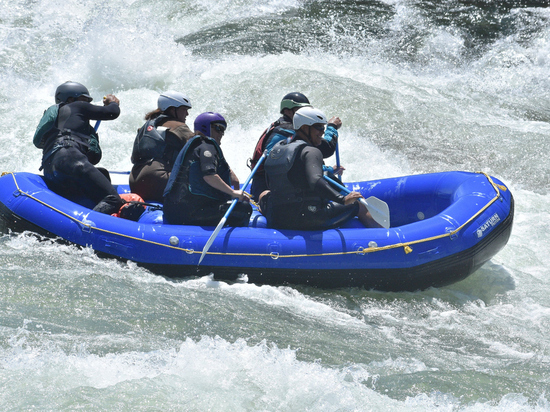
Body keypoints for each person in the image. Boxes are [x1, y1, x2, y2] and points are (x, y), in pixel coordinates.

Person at [262, 107, 380, 230]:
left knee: (264, 194)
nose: (322, 132)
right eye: (318, 127)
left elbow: (271, 182)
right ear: (304, 127)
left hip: (276, 218)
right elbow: (315, 180)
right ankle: (382, 236)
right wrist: (344, 199)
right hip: (305, 218)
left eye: (323, 128)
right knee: (359, 204)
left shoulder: (278, 149)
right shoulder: (312, 151)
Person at [33, 81, 124, 214]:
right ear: (70, 99)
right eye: (84, 100)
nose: (87, 103)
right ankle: (88, 228)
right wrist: (113, 102)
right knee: (113, 199)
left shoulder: (57, 121)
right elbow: (112, 112)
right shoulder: (77, 106)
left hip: (51, 168)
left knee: (102, 173)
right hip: (70, 158)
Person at [248, 92, 344, 201]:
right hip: (269, 188)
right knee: (328, 177)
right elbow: (327, 149)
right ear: (288, 111)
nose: (305, 113)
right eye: (300, 110)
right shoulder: (290, 131)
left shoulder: (280, 126)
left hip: (272, 183)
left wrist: (328, 169)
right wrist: (332, 127)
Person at [163, 112, 252, 226]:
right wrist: (233, 192)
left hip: (173, 210)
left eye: (223, 130)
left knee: (236, 205)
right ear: (205, 127)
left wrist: (236, 194)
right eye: (218, 128)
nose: (221, 133)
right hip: (190, 213)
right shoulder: (207, 146)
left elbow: (234, 179)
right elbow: (209, 176)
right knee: (244, 209)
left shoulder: (194, 145)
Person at [129, 91, 194, 201]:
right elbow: (200, 148)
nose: (187, 114)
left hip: (134, 181)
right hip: (158, 179)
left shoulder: (146, 126)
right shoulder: (179, 126)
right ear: (173, 109)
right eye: (184, 109)